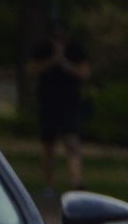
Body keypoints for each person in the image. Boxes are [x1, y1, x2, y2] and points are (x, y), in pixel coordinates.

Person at [25, 20, 89, 190]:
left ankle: (76, 179)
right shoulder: (42, 49)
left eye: (61, 37)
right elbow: (30, 70)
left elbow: (84, 73)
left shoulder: (75, 50)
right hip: (48, 102)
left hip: (69, 102)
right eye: (55, 37)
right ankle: (50, 183)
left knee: (72, 140)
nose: (58, 41)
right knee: (48, 146)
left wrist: (65, 63)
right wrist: (52, 61)